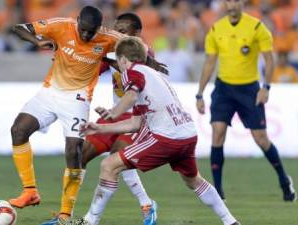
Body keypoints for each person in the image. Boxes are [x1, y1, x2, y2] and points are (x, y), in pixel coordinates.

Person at [78, 36, 241, 225]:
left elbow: (130, 97)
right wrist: (101, 128)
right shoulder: (154, 76)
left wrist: (113, 112)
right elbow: (135, 123)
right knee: (193, 180)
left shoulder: (131, 72)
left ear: (123, 60)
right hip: (187, 134)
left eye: (117, 61)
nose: (117, 65)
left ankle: (90, 221)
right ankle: (230, 221)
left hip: (166, 137)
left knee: (109, 165)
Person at [8, 6, 125, 225]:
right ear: (77, 20)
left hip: (77, 100)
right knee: (18, 130)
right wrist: (37, 42)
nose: (86, 35)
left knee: (74, 151)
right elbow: (19, 28)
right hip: (49, 92)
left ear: (99, 28)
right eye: (83, 29)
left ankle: (64, 214)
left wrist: (148, 61)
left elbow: (135, 46)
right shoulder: (61, 25)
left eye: (92, 32)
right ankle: (30, 191)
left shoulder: (108, 37)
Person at [195, 0, 297, 202]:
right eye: (228, 2)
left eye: (236, 1)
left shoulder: (257, 27)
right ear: (224, 5)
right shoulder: (216, 29)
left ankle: (284, 180)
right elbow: (209, 62)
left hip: (249, 89)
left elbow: (269, 59)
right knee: (217, 133)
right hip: (223, 88)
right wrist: (200, 93)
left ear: (242, 4)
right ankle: (218, 192)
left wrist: (266, 88)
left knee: (260, 138)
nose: (232, 5)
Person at [80, 13, 157, 225]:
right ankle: (64, 213)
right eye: (115, 30)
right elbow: (92, 68)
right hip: (114, 116)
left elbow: (133, 65)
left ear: (136, 34)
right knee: (79, 156)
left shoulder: (144, 51)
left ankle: (146, 205)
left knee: (117, 158)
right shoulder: (114, 52)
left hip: (137, 117)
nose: (117, 35)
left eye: (122, 32)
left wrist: (101, 55)